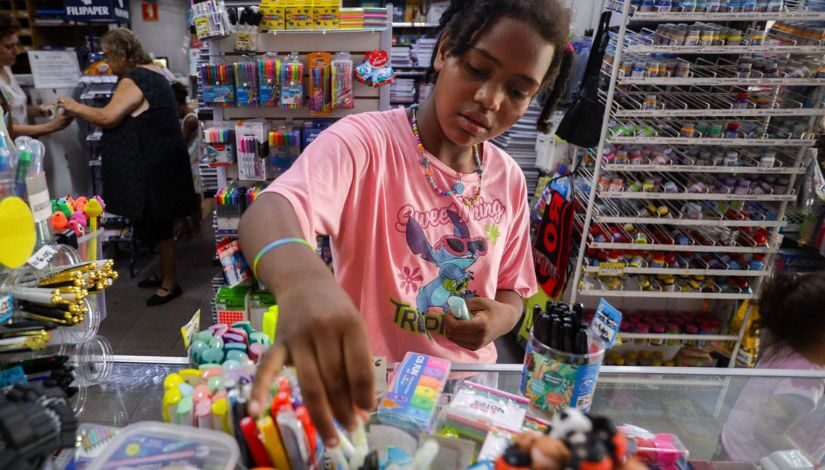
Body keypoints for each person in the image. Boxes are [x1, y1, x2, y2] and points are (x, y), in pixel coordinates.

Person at [241, 0, 572, 447]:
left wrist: (503, 318)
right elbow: (273, 207)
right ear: (445, 51)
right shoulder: (365, 144)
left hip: (467, 398)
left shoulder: (508, 179)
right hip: (373, 393)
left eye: (517, 92)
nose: (490, 99)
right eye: (477, 69)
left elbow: (513, 284)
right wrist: (302, 282)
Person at [57, 29, 194, 307]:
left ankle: (170, 284)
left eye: (108, 55)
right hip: (164, 162)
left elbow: (107, 116)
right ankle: (161, 274)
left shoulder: (134, 79)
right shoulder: (155, 72)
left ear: (122, 53)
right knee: (159, 225)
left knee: (161, 227)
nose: (107, 62)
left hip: (152, 167)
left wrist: (74, 106)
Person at [721, 272, 825, 463]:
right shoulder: (807, 381)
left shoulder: (782, 344)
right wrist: (810, 463)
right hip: (758, 462)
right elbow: (767, 430)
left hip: (733, 442)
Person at [0, 12, 73, 138]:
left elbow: (12, 112)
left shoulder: (6, 68)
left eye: (16, 44)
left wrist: (36, 111)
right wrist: (50, 127)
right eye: (9, 47)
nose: (16, 51)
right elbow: (5, 128)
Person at [172, 81, 203, 239]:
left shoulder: (189, 120)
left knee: (189, 198)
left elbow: (180, 144)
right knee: (193, 198)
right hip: (193, 162)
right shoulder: (192, 115)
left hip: (190, 163)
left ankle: (193, 228)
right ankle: (193, 228)